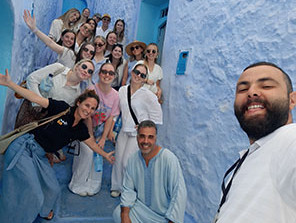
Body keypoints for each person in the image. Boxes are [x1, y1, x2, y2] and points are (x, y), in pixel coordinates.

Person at [0, 69, 114, 223]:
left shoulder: (80, 129)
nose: (89, 110)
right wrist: (10, 84)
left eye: (93, 109)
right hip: (25, 148)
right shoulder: (62, 108)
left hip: (41, 156)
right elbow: (36, 98)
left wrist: (105, 154)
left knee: (52, 189)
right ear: (79, 102)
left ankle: (44, 211)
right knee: (33, 192)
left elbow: (91, 143)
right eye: (87, 105)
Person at [214, 62, 296, 223]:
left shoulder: (290, 140)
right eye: (243, 89)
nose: (251, 92)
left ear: (292, 100)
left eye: (266, 86)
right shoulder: (252, 155)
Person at [113, 120, 187, 223]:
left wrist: (172, 220)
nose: (146, 141)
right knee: (118, 213)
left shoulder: (168, 159)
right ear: (137, 137)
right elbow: (128, 189)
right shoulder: (133, 159)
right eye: (142, 136)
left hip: (164, 216)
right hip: (142, 211)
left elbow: (179, 193)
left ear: (156, 138)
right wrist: (124, 214)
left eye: (150, 137)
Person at [111, 64, 163, 197]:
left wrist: (144, 126)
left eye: (142, 75)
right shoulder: (122, 90)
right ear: (132, 72)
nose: (138, 76)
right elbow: (116, 111)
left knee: (127, 162)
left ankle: (128, 189)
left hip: (137, 134)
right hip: (123, 130)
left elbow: (157, 116)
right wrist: (111, 129)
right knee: (118, 159)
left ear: (145, 78)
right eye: (136, 72)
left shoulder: (147, 95)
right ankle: (116, 186)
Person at [69, 63, 120, 196]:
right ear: (99, 73)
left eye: (110, 73)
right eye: (104, 72)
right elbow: (87, 116)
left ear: (114, 76)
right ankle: (77, 183)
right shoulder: (92, 89)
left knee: (98, 154)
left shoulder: (115, 95)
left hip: (100, 131)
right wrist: (91, 136)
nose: (107, 75)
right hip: (85, 129)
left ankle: (93, 185)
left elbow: (110, 117)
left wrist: (103, 138)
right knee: (87, 152)